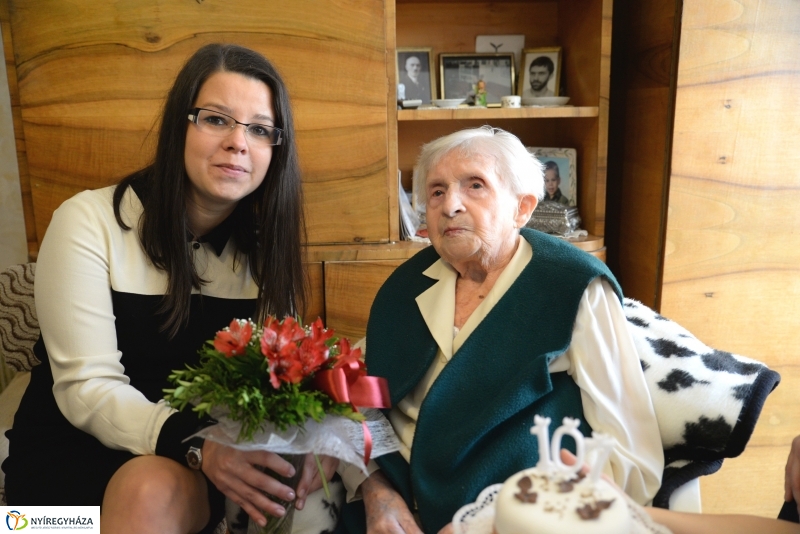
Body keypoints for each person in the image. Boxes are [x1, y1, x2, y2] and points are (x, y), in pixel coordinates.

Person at [2, 43, 337, 534]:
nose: (238, 143)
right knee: (149, 489)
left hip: (189, 471)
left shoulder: (266, 253)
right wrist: (199, 444)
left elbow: (274, 383)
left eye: (260, 129)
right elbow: (85, 387)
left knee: (172, 488)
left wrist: (314, 439)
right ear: (179, 125)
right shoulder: (87, 221)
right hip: (52, 504)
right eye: (216, 119)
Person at [334, 126, 663, 534]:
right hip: (390, 513)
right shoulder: (404, 286)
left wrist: (499, 521)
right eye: (436, 191)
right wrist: (374, 490)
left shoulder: (572, 286)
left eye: (475, 185)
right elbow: (356, 402)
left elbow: (630, 457)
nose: (450, 205)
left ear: (522, 208)